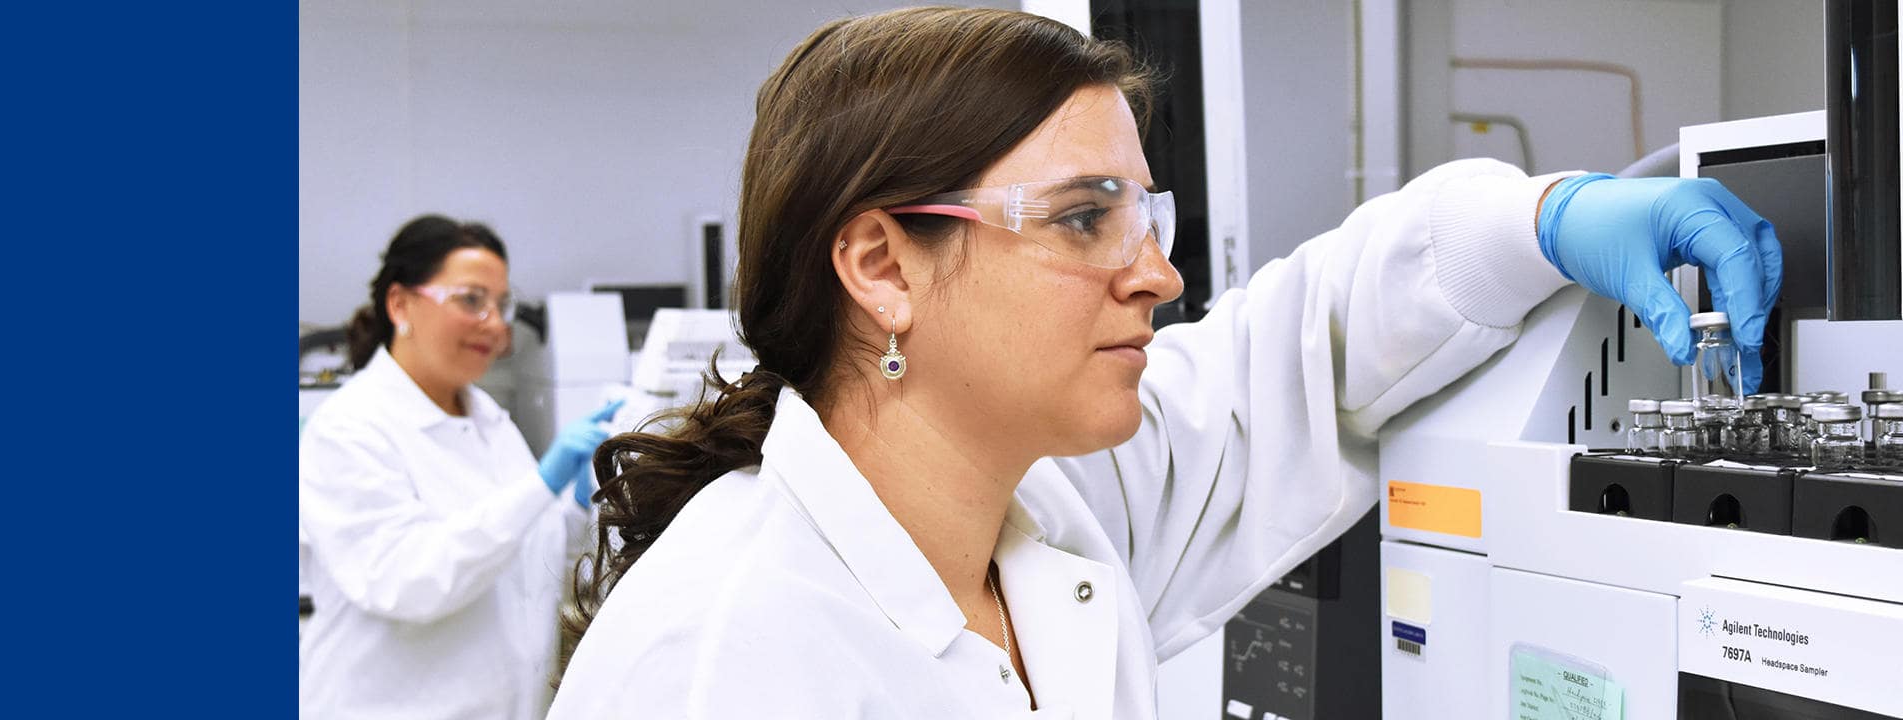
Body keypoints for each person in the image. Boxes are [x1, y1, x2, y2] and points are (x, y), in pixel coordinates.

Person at [549, 7, 1779, 718]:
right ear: (881, 266)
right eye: (1087, 218)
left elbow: (1300, 353)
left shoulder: (1047, 515)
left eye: (1150, 217)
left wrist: (1546, 219)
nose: (1159, 275)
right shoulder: (722, 665)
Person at [300, 215, 624, 719]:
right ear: (400, 304)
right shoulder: (349, 428)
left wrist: (577, 508)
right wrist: (541, 486)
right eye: (471, 300)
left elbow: (523, 562)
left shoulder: (491, 423)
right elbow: (410, 582)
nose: (494, 324)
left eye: (501, 304)